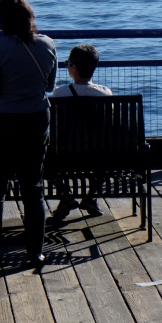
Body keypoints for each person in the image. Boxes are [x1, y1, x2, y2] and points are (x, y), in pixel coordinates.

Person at [0, 0, 57, 270]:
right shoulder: (48, 44)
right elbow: (49, 86)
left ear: (1, 21)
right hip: (36, 118)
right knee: (33, 187)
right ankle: (35, 252)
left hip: (2, 120)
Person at [50, 44, 112, 219]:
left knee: (43, 158)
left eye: (68, 63)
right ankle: (91, 197)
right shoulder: (105, 93)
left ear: (74, 68)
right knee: (106, 153)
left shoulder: (59, 93)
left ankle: (66, 195)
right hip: (99, 154)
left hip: (65, 154)